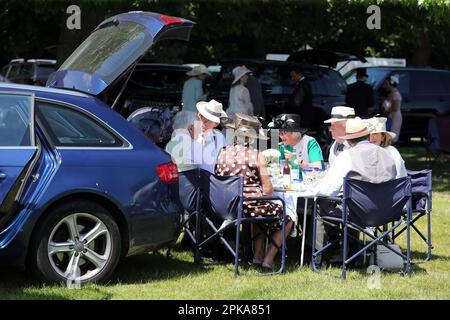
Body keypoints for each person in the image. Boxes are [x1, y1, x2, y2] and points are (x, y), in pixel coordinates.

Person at [313, 117, 397, 264]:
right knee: (352, 202)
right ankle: (354, 254)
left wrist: (316, 189)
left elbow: (327, 190)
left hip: (357, 212)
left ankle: (319, 257)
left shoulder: (347, 156)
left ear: (350, 140)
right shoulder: (388, 154)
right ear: (367, 135)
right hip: (388, 210)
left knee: (319, 204)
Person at [216, 113, 293, 269]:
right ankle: (268, 259)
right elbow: (268, 190)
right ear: (252, 138)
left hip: (225, 206)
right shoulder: (256, 155)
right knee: (289, 216)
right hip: (248, 207)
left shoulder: (222, 152)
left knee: (260, 210)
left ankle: (257, 256)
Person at [195, 99, 227, 173]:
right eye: (203, 118)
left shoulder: (219, 137)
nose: (204, 123)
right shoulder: (191, 134)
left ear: (216, 124)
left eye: (208, 121)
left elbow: (222, 161)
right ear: (199, 115)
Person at [381, 75, 402, 143]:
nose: (385, 86)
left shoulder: (395, 94)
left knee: (392, 133)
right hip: (391, 115)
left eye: (386, 84)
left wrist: (386, 109)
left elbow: (395, 108)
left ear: (391, 84)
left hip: (394, 116)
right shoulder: (391, 94)